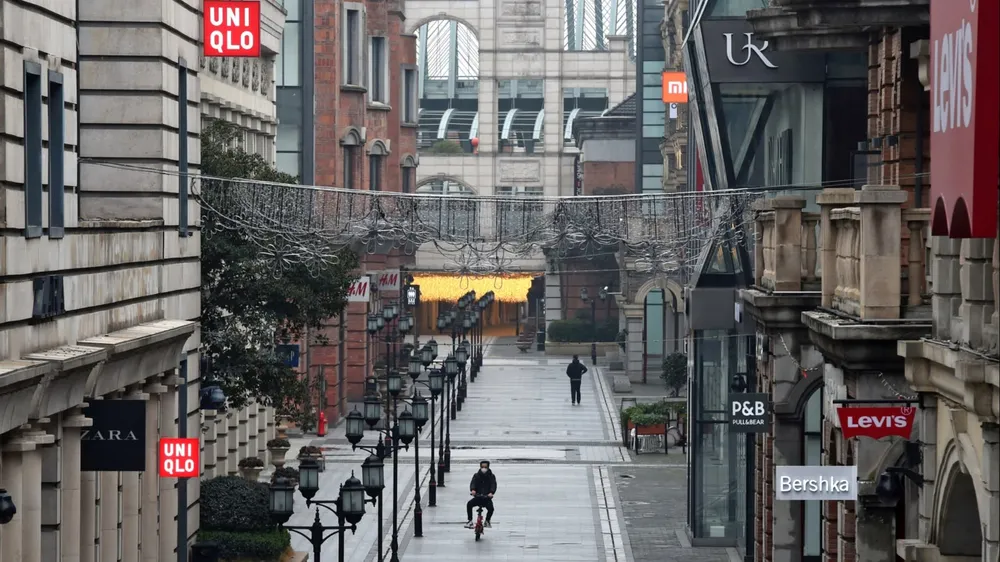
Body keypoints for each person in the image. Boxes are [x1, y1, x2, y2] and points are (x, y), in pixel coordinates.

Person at [465, 460, 496, 528]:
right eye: (482, 466)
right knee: (469, 504)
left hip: (486, 498)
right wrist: (473, 490)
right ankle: (470, 520)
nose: (484, 468)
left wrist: (491, 492)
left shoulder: (491, 476)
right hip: (478, 497)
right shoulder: (476, 475)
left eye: (485, 467)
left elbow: (493, 485)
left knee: (491, 508)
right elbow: (473, 483)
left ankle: (487, 521)